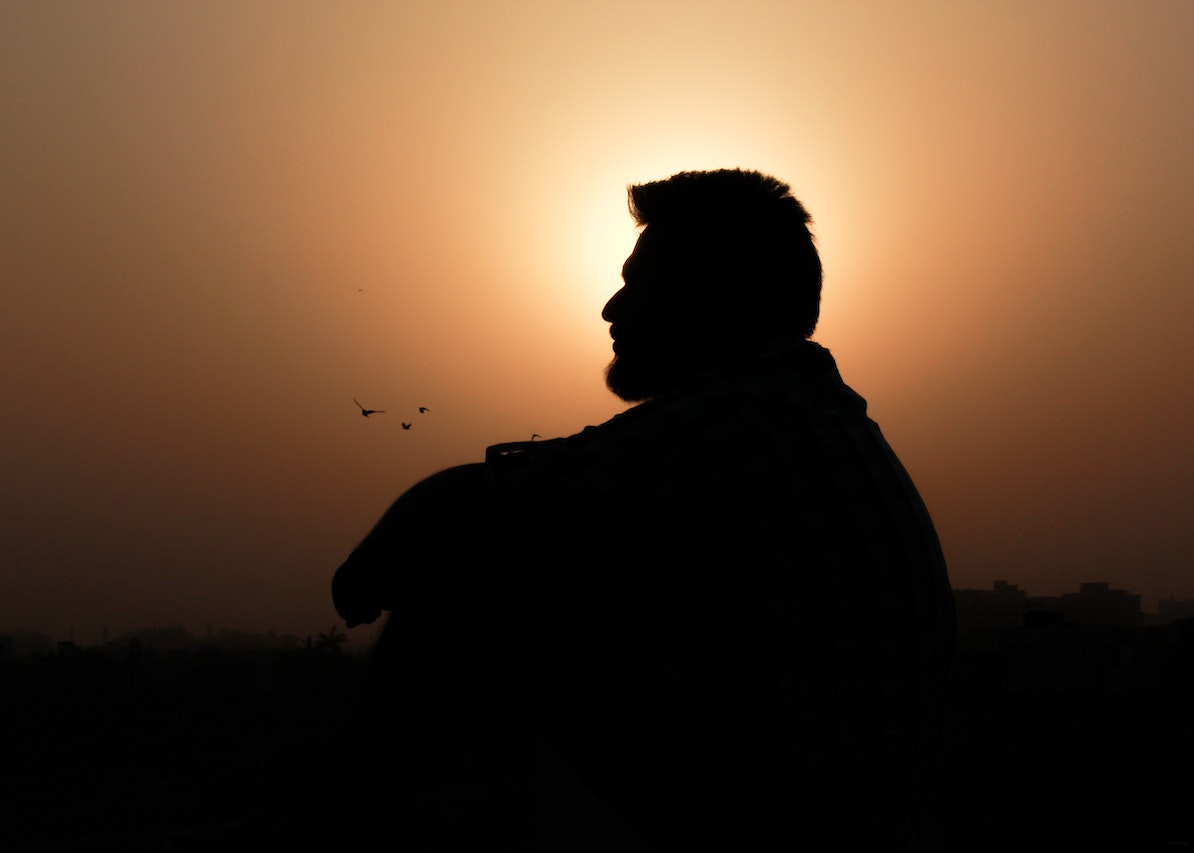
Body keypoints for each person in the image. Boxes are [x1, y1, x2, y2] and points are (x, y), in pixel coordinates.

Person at [328, 169, 955, 851]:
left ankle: (334, 827)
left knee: (487, 578)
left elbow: (473, 501)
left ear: (710, 300)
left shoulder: (754, 413)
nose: (611, 308)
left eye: (637, 283)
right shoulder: (802, 413)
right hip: (825, 811)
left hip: (785, 829)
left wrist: (369, 569)